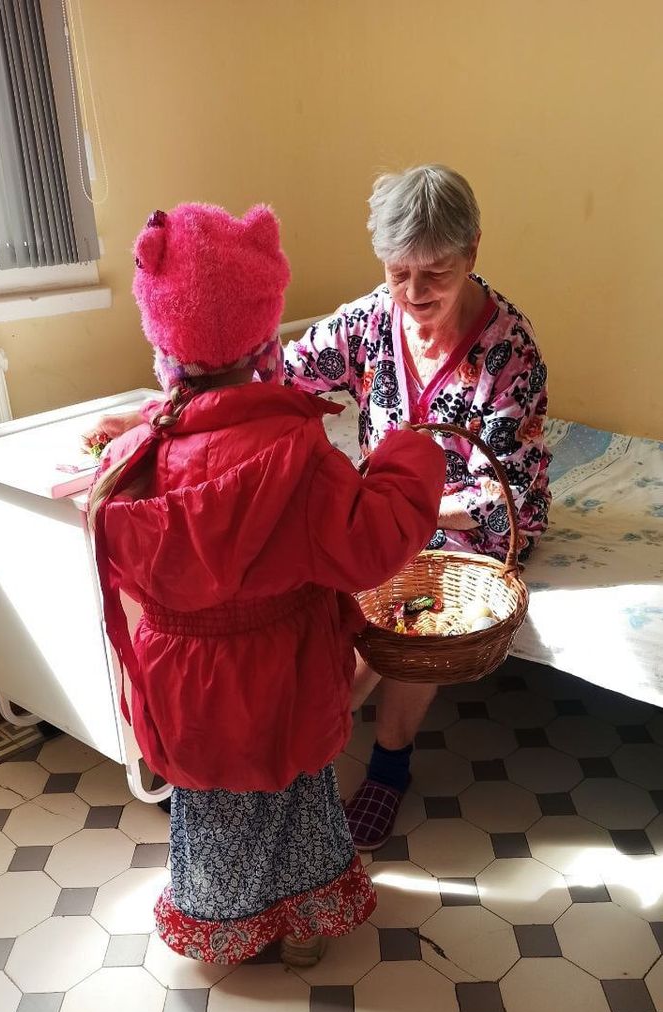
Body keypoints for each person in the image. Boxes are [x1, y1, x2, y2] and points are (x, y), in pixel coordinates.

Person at [87, 201, 445, 968]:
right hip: (282, 677)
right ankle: (304, 928)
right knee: (295, 803)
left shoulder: (138, 456)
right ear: (264, 337)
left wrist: (138, 426)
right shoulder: (296, 451)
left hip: (187, 685)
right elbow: (370, 546)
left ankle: (225, 930)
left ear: (163, 340)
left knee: (212, 810)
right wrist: (407, 457)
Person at [280, 164, 552, 851]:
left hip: (474, 520)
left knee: (399, 601)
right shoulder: (370, 319)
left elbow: (505, 490)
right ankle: (292, 748)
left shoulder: (509, 351)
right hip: (387, 509)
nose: (413, 292)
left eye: (435, 273)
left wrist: (402, 516)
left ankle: (381, 763)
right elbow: (283, 377)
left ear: (472, 251)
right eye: (398, 272)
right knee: (315, 578)